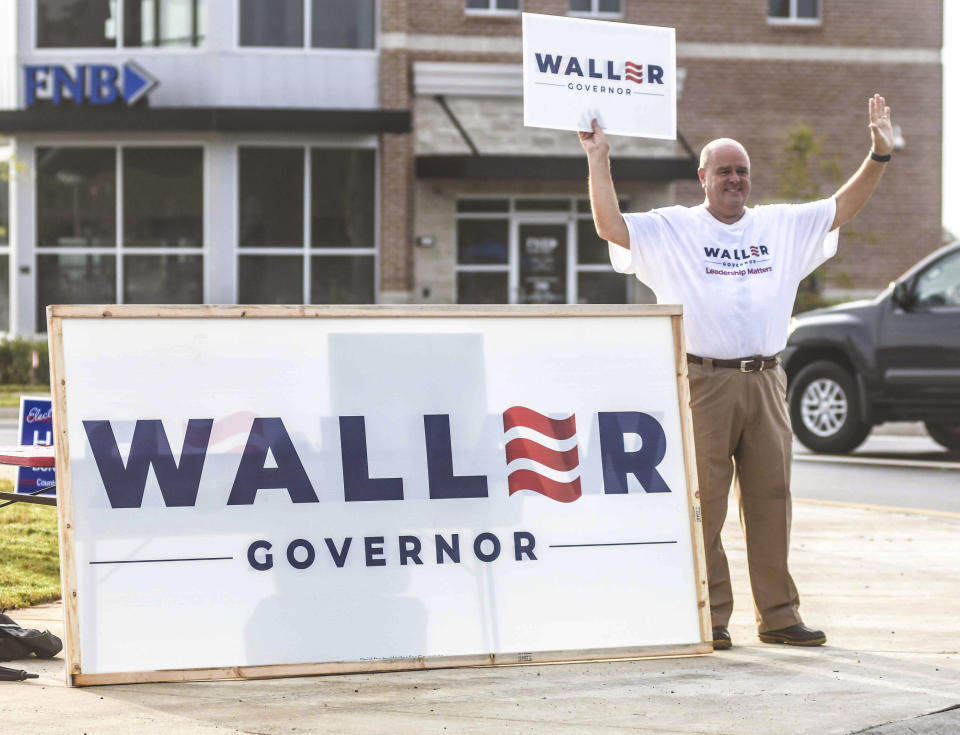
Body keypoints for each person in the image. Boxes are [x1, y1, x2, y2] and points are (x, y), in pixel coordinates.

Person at [579, 94, 894, 649]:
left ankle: (778, 616)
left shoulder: (781, 226)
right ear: (702, 177)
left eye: (742, 171)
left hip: (768, 380)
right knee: (705, 505)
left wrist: (879, 155)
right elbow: (609, 226)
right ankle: (713, 616)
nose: (734, 179)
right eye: (723, 170)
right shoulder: (673, 228)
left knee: (772, 500)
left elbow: (841, 207)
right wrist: (598, 159)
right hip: (703, 381)